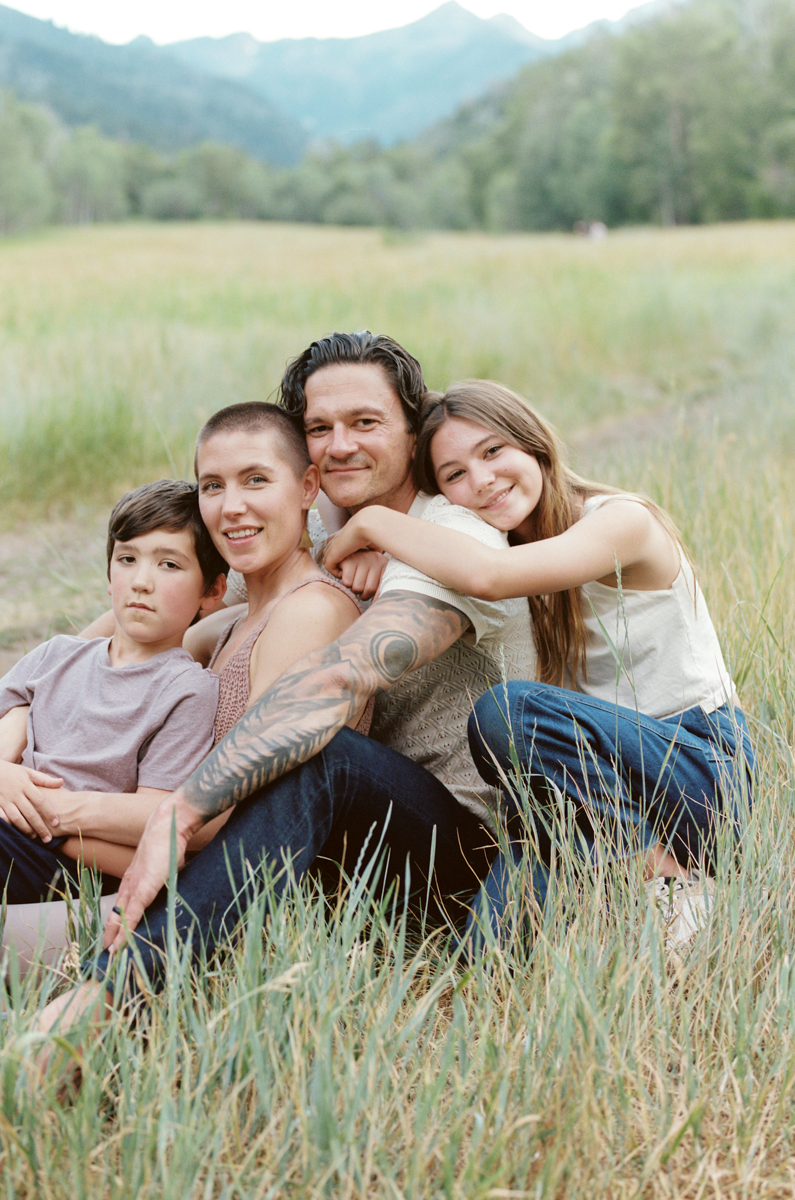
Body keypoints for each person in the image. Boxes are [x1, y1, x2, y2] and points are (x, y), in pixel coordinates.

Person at [0, 332, 538, 1101]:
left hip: (454, 849)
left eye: (365, 423)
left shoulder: (446, 535)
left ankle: (97, 1008)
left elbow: (335, 679)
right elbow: (181, 614)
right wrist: (22, 691)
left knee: (315, 759)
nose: (339, 446)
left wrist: (179, 811)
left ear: (413, 427)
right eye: (320, 429)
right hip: (328, 846)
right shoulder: (321, 535)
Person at [323, 378, 755, 953]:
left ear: (535, 445)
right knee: (487, 951)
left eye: (494, 451)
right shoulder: (501, 545)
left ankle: (667, 879)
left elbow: (487, 576)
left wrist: (371, 525)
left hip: (694, 767)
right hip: (587, 789)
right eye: (454, 475)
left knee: (508, 710)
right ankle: (616, 881)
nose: (482, 481)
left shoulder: (620, 520)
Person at [0, 478, 225, 1049]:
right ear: (109, 572)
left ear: (212, 591)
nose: (141, 581)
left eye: (170, 565)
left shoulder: (186, 690)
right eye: (127, 559)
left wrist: (44, 817)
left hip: (60, 862)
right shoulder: (57, 656)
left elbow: (159, 817)